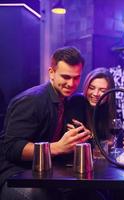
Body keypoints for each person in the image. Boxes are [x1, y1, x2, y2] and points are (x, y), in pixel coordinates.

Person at [0, 46, 93, 200]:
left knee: (93, 194)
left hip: (46, 174)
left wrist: (83, 136)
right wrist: (57, 148)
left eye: (76, 77)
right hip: (15, 175)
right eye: (65, 77)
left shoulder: (67, 101)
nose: (71, 83)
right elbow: (12, 148)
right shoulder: (31, 101)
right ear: (51, 73)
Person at [64, 68, 116, 156]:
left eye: (102, 91)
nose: (95, 93)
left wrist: (90, 137)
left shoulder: (107, 107)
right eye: (91, 88)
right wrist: (98, 141)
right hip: (75, 161)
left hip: (98, 162)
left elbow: (110, 142)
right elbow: (78, 140)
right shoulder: (77, 101)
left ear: (109, 93)